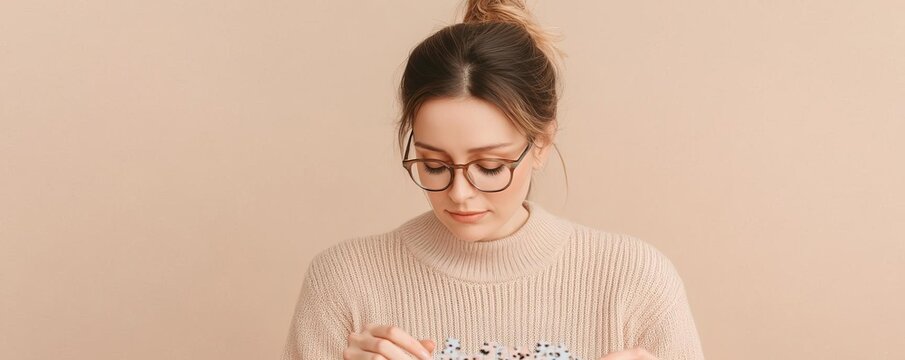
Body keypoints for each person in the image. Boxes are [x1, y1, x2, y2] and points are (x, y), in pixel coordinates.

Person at [282, 0, 705, 359]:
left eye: (489, 167)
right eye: (434, 165)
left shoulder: (632, 279)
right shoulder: (344, 280)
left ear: (542, 142)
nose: (459, 194)